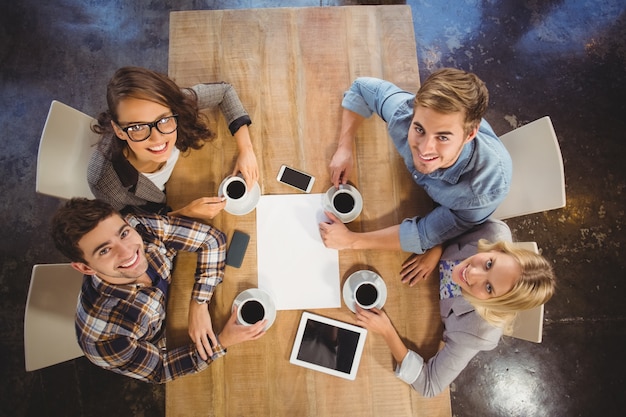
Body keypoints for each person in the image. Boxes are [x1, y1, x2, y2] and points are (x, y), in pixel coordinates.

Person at [319, 68, 512, 285]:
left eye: (442, 137)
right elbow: (361, 88)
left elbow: (425, 233)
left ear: (470, 135)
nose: (424, 149)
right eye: (419, 129)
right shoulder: (404, 112)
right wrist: (345, 147)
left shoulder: (483, 191)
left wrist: (351, 241)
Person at [50, 198, 266, 383]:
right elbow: (161, 369)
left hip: (180, 301)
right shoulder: (103, 338)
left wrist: (199, 304)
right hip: (165, 341)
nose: (128, 252)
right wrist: (222, 342)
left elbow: (211, 239)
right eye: (105, 250)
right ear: (85, 267)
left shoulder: (137, 225)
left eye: (123, 234)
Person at [353, 219, 556, 397]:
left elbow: (429, 385)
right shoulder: (493, 231)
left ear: (496, 306)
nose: (472, 274)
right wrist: (437, 247)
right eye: (489, 264)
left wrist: (387, 331)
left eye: (489, 288)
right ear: (498, 249)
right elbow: (451, 218)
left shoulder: (479, 332)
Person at [88, 66, 259, 220]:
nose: (157, 139)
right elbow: (131, 223)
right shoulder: (105, 184)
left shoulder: (170, 104)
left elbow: (224, 91)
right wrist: (185, 213)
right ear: (119, 131)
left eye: (163, 120)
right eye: (138, 127)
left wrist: (246, 150)